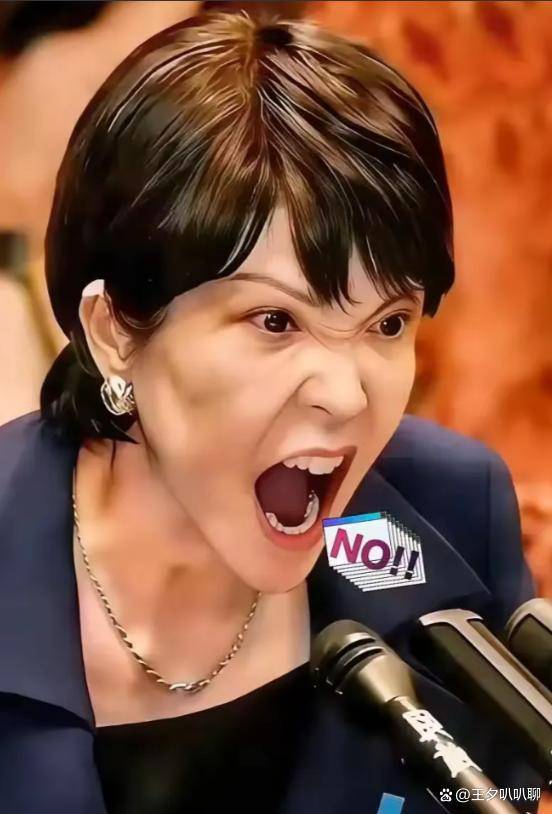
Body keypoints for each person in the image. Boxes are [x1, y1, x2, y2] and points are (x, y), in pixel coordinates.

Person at [0, 11, 541, 814]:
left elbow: (511, 790)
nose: (347, 395)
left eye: (388, 324)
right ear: (114, 331)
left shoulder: (448, 513)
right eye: (276, 321)